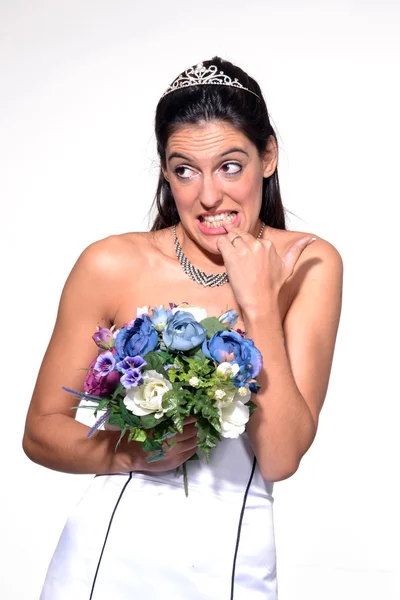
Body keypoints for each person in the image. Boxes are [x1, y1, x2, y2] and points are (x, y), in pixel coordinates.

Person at [23, 56, 343, 600]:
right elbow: (40, 431)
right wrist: (128, 452)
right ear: (166, 173)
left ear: (268, 157)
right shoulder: (111, 263)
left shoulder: (308, 264)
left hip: (231, 564)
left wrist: (258, 303)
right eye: (185, 170)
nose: (209, 196)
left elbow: (282, 457)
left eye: (230, 166)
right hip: (104, 560)